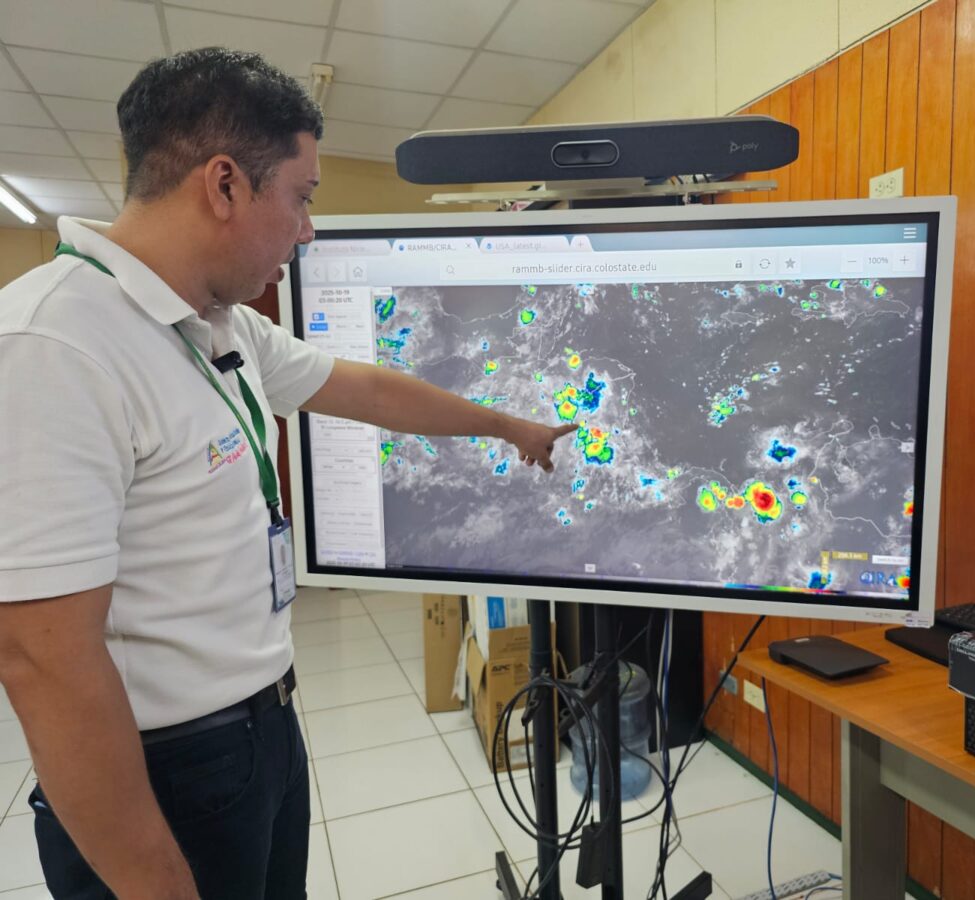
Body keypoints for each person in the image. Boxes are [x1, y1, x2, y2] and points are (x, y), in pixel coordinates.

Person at [0, 47, 574, 899]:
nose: (308, 229)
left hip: (261, 733)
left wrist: (508, 427)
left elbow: (369, 389)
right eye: (302, 198)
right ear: (224, 185)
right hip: (161, 778)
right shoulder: (53, 345)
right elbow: (42, 658)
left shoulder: (217, 325)